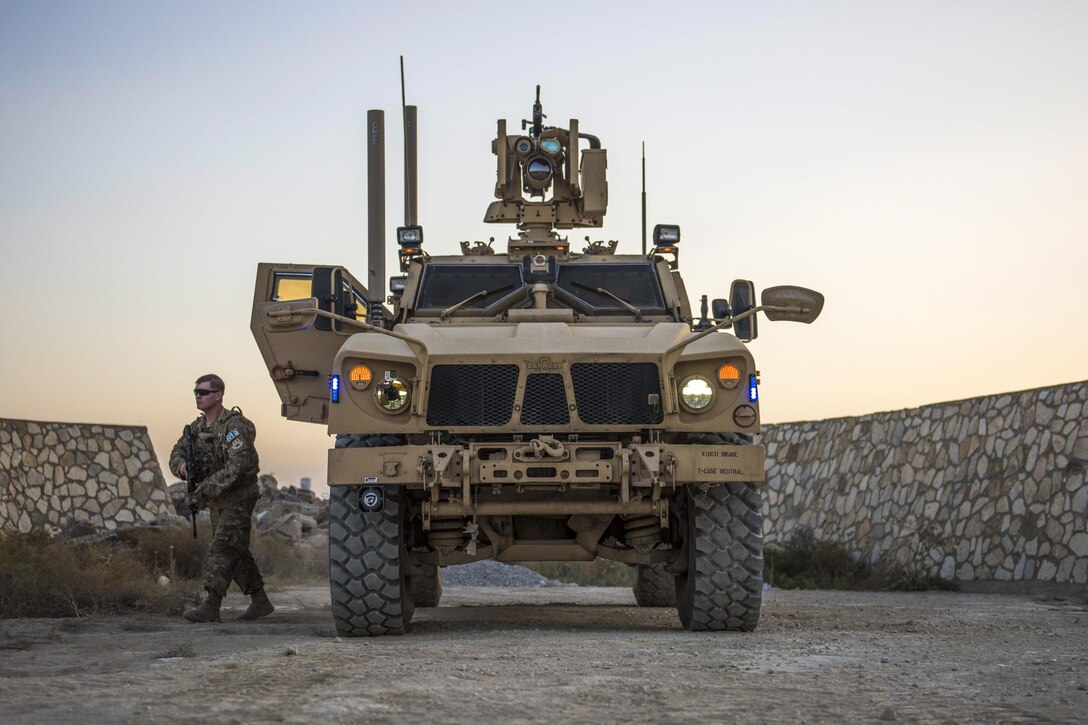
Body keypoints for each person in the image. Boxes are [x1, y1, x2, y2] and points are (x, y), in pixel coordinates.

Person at [168, 374, 274, 623]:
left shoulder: (233, 427)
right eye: (196, 391)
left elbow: (237, 466)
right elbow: (176, 452)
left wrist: (205, 488)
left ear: (218, 395)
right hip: (217, 502)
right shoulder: (195, 429)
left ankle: (211, 606)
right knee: (236, 550)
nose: (198, 395)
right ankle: (260, 601)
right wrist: (182, 466)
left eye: (203, 392)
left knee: (223, 548)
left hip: (239, 497)